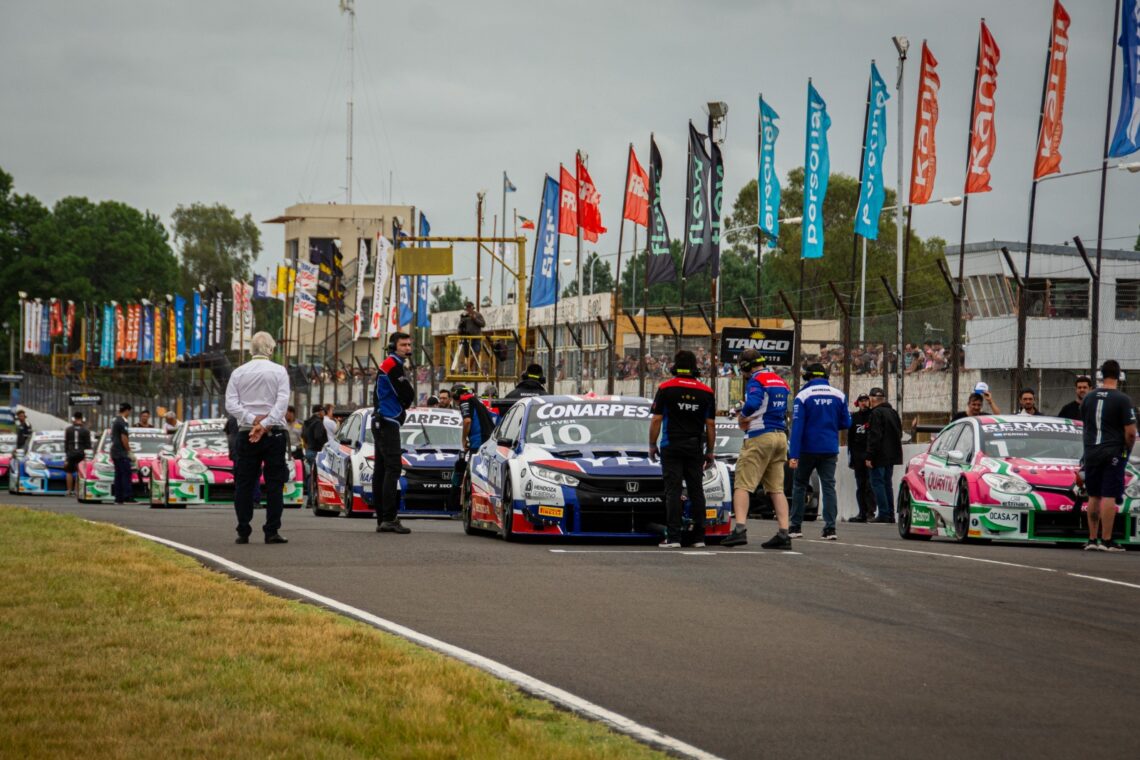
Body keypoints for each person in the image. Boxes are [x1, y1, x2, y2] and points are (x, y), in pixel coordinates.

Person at [721, 350, 793, 550]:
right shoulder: (780, 380)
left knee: (742, 484)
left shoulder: (756, 380)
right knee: (776, 488)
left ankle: (739, 529)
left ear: (746, 366)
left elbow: (753, 404)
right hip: (780, 436)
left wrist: (743, 416)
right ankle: (784, 533)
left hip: (760, 436)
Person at [224, 331, 291, 545]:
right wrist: (265, 423)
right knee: (274, 483)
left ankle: (243, 529)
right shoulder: (279, 371)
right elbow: (282, 403)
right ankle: (271, 530)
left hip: (247, 432)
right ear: (270, 349)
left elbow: (230, 404)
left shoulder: (238, 372)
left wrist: (253, 420)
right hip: (274, 432)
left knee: (244, 483)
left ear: (251, 350)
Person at [648, 350, 716, 548]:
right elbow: (710, 424)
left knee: (673, 491)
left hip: (671, 446)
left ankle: (674, 538)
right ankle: (699, 538)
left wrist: (652, 444)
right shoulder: (706, 391)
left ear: (675, 366)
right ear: (695, 366)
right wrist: (710, 451)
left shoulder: (666, 388)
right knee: (696, 490)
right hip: (695, 446)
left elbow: (656, 420)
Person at [787, 363, 850, 540]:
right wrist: (829, 425)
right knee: (828, 486)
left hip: (807, 449)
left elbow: (797, 427)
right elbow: (846, 422)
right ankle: (830, 529)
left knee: (800, 485)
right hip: (829, 448)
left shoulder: (803, 395)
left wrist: (793, 455)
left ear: (808, 377)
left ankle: (795, 527)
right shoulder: (839, 395)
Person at [1079, 360, 1136, 553]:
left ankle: (1091, 538)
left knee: (1093, 495)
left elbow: (1085, 424)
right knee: (1109, 494)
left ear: (1101, 375)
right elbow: (1130, 432)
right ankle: (1107, 539)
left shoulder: (1088, 398)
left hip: (1091, 452)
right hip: (1112, 452)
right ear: (1118, 375)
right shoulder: (1122, 399)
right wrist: (1127, 449)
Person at [373, 332, 415, 533]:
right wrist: (404, 404)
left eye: (409, 344)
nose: (407, 348)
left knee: (382, 470)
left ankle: (383, 518)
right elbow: (407, 393)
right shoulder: (391, 364)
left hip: (383, 420)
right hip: (387, 422)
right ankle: (389, 518)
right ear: (393, 346)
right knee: (393, 468)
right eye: (403, 345)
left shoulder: (391, 364)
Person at [864, 387, 903, 523]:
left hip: (879, 455)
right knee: (887, 484)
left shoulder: (875, 413)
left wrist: (869, 456)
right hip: (891, 455)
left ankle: (884, 513)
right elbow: (899, 433)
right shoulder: (893, 412)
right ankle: (890, 514)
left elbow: (874, 436)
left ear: (872, 399)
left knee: (877, 483)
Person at [847, 395, 875, 523]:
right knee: (860, 485)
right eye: (861, 401)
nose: (864, 403)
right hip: (857, 456)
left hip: (869, 456)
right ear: (858, 403)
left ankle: (870, 512)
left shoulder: (873, 415)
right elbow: (850, 439)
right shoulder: (854, 417)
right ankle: (862, 513)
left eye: (866, 400)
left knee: (870, 485)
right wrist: (851, 458)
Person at [63, 411, 93, 497]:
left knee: (69, 472)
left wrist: (67, 454)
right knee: (79, 472)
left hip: (71, 453)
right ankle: (77, 491)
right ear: (82, 418)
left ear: (74, 418)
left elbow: (66, 443)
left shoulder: (68, 429)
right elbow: (88, 444)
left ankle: (69, 490)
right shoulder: (86, 430)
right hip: (81, 453)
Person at [110, 402, 135, 504]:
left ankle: (119, 497)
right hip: (121, 452)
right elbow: (124, 438)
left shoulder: (115, 420)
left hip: (115, 451)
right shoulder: (123, 422)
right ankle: (127, 496)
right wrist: (129, 451)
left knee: (119, 475)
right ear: (128, 410)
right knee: (126, 474)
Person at [452, 300, 486, 373]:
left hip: (476, 337)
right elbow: (460, 326)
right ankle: (468, 368)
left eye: (469, 307)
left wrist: (474, 319)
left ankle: (467, 367)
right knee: (467, 354)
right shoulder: (464, 316)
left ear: (472, 308)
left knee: (476, 352)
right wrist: (459, 331)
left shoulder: (478, 315)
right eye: (467, 307)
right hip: (467, 338)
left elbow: (483, 324)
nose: (468, 309)